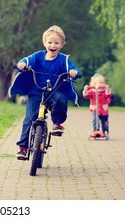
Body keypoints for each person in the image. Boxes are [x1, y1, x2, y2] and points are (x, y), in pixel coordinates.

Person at [8, 25, 81, 160]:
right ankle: (23, 147)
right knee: (29, 119)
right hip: (36, 91)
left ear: (62, 45)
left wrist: (74, 72)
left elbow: (74, 69)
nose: (53, 45)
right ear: (44, 43)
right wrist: (21, 64)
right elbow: (25, 60)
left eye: (56, 43)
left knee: (61, 99)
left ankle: (57, 123)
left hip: (54, 92)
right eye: (50, 42)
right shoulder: (38, 56)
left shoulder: (63, 59)